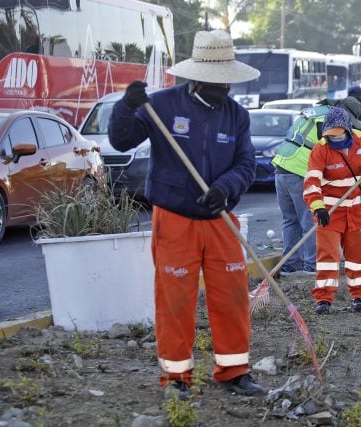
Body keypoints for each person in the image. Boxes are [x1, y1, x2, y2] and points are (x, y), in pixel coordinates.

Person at [108, 30, 264, 399]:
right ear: (196, 77)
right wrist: (126, 107)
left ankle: (233, 370)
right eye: (215, 82)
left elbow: (246, 164)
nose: (222, 89)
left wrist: (226, 188)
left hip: (221, 220)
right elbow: (121, 140)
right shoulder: (162, 106)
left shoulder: (236, 116)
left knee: (232, 295)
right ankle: (176, 377)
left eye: (227, 82)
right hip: (175, 219)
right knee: (175, 298)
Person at [271, 97, 361, 276]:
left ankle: (291, 265)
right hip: (300, 169)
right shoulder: (331, 119)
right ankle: (312, 265)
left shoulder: (317, 110)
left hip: (282, 166)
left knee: (290, 220)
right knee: (312, 220)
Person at [303, 107, 361, 315]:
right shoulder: (320, 150)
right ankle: (323, 300)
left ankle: (358, 296)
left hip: (355, 211)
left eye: (337, 134)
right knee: (327, 257)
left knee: (356, 258)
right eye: (330, 135)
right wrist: (318, 208)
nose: (333, 138)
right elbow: (312, 183)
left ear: (347, 129)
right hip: (330, 213)